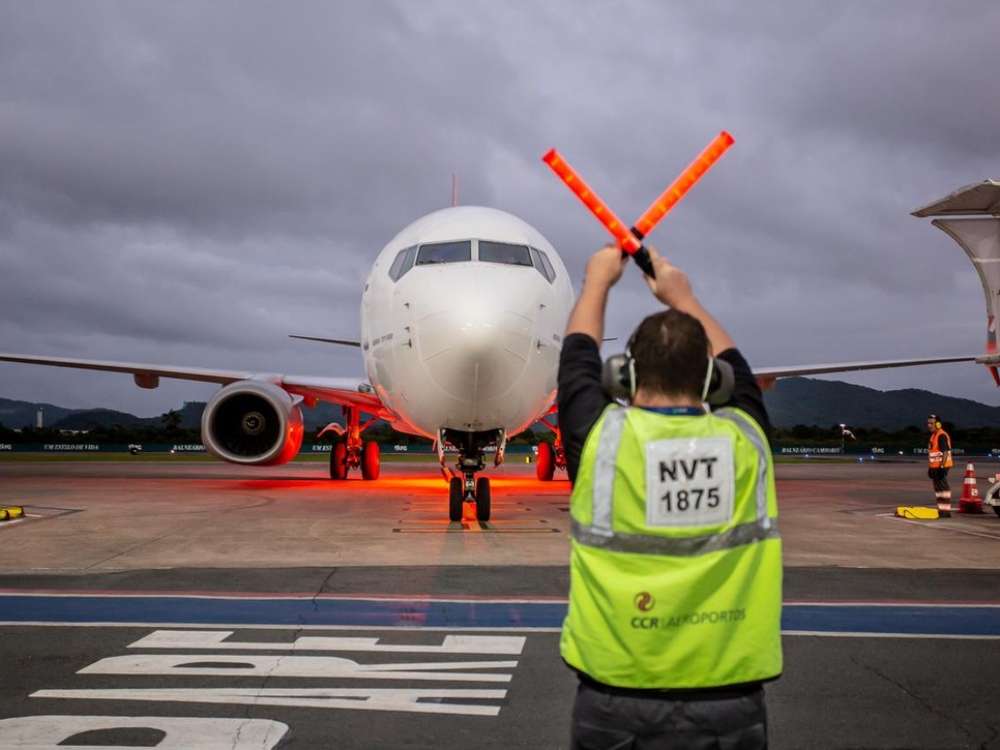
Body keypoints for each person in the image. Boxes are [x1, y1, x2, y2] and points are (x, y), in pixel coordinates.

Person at [557, 244, 782, 749]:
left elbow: (575, 360)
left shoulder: (600, 441)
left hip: (615, 695)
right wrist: (684, 296)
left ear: (624, 377)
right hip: (730, 698)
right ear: (713, 380)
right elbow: (739, 370)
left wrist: (597, 282)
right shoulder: (748, 440)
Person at [926, 414, 953, 517]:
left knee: (943, 489)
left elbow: (945, 452)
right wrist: (931, 467)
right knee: (938, 489)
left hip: (942, 466)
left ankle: (945, 512)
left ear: (938, 424)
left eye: (931, 423)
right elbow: (933, 454)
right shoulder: (933, 435)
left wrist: (942, 467)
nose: (929, 425)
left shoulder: (941, 435)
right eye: (928, 423)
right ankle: (942, 510)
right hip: (935, 467)